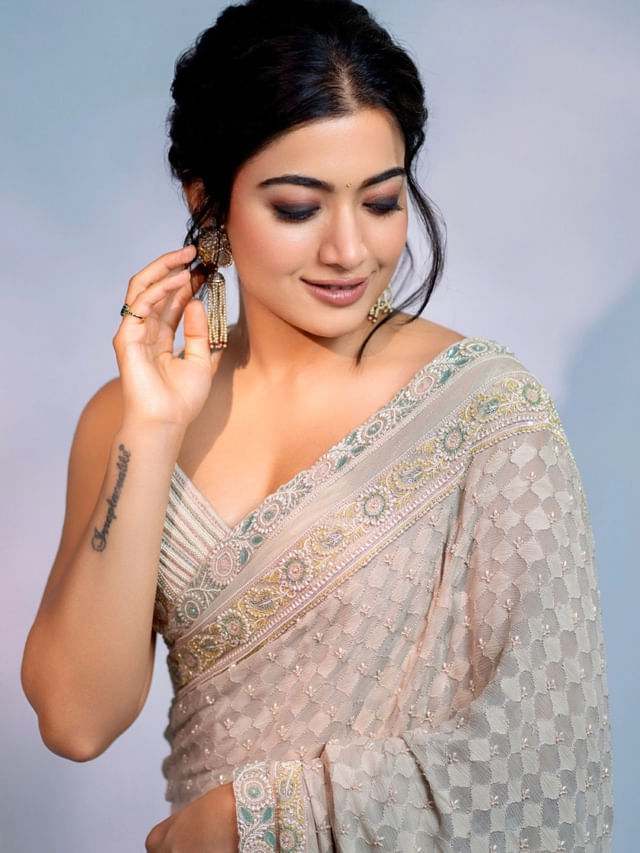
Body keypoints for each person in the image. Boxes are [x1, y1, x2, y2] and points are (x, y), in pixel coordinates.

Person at [22, 0, 613, 850]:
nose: (348, 250)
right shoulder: (129, 415)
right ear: (208, 205)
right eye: (299, 207)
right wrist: (152, 428)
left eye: (381, 201)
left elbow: (550, 763)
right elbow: (76, 719)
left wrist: (253, 820)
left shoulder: (490, 415)